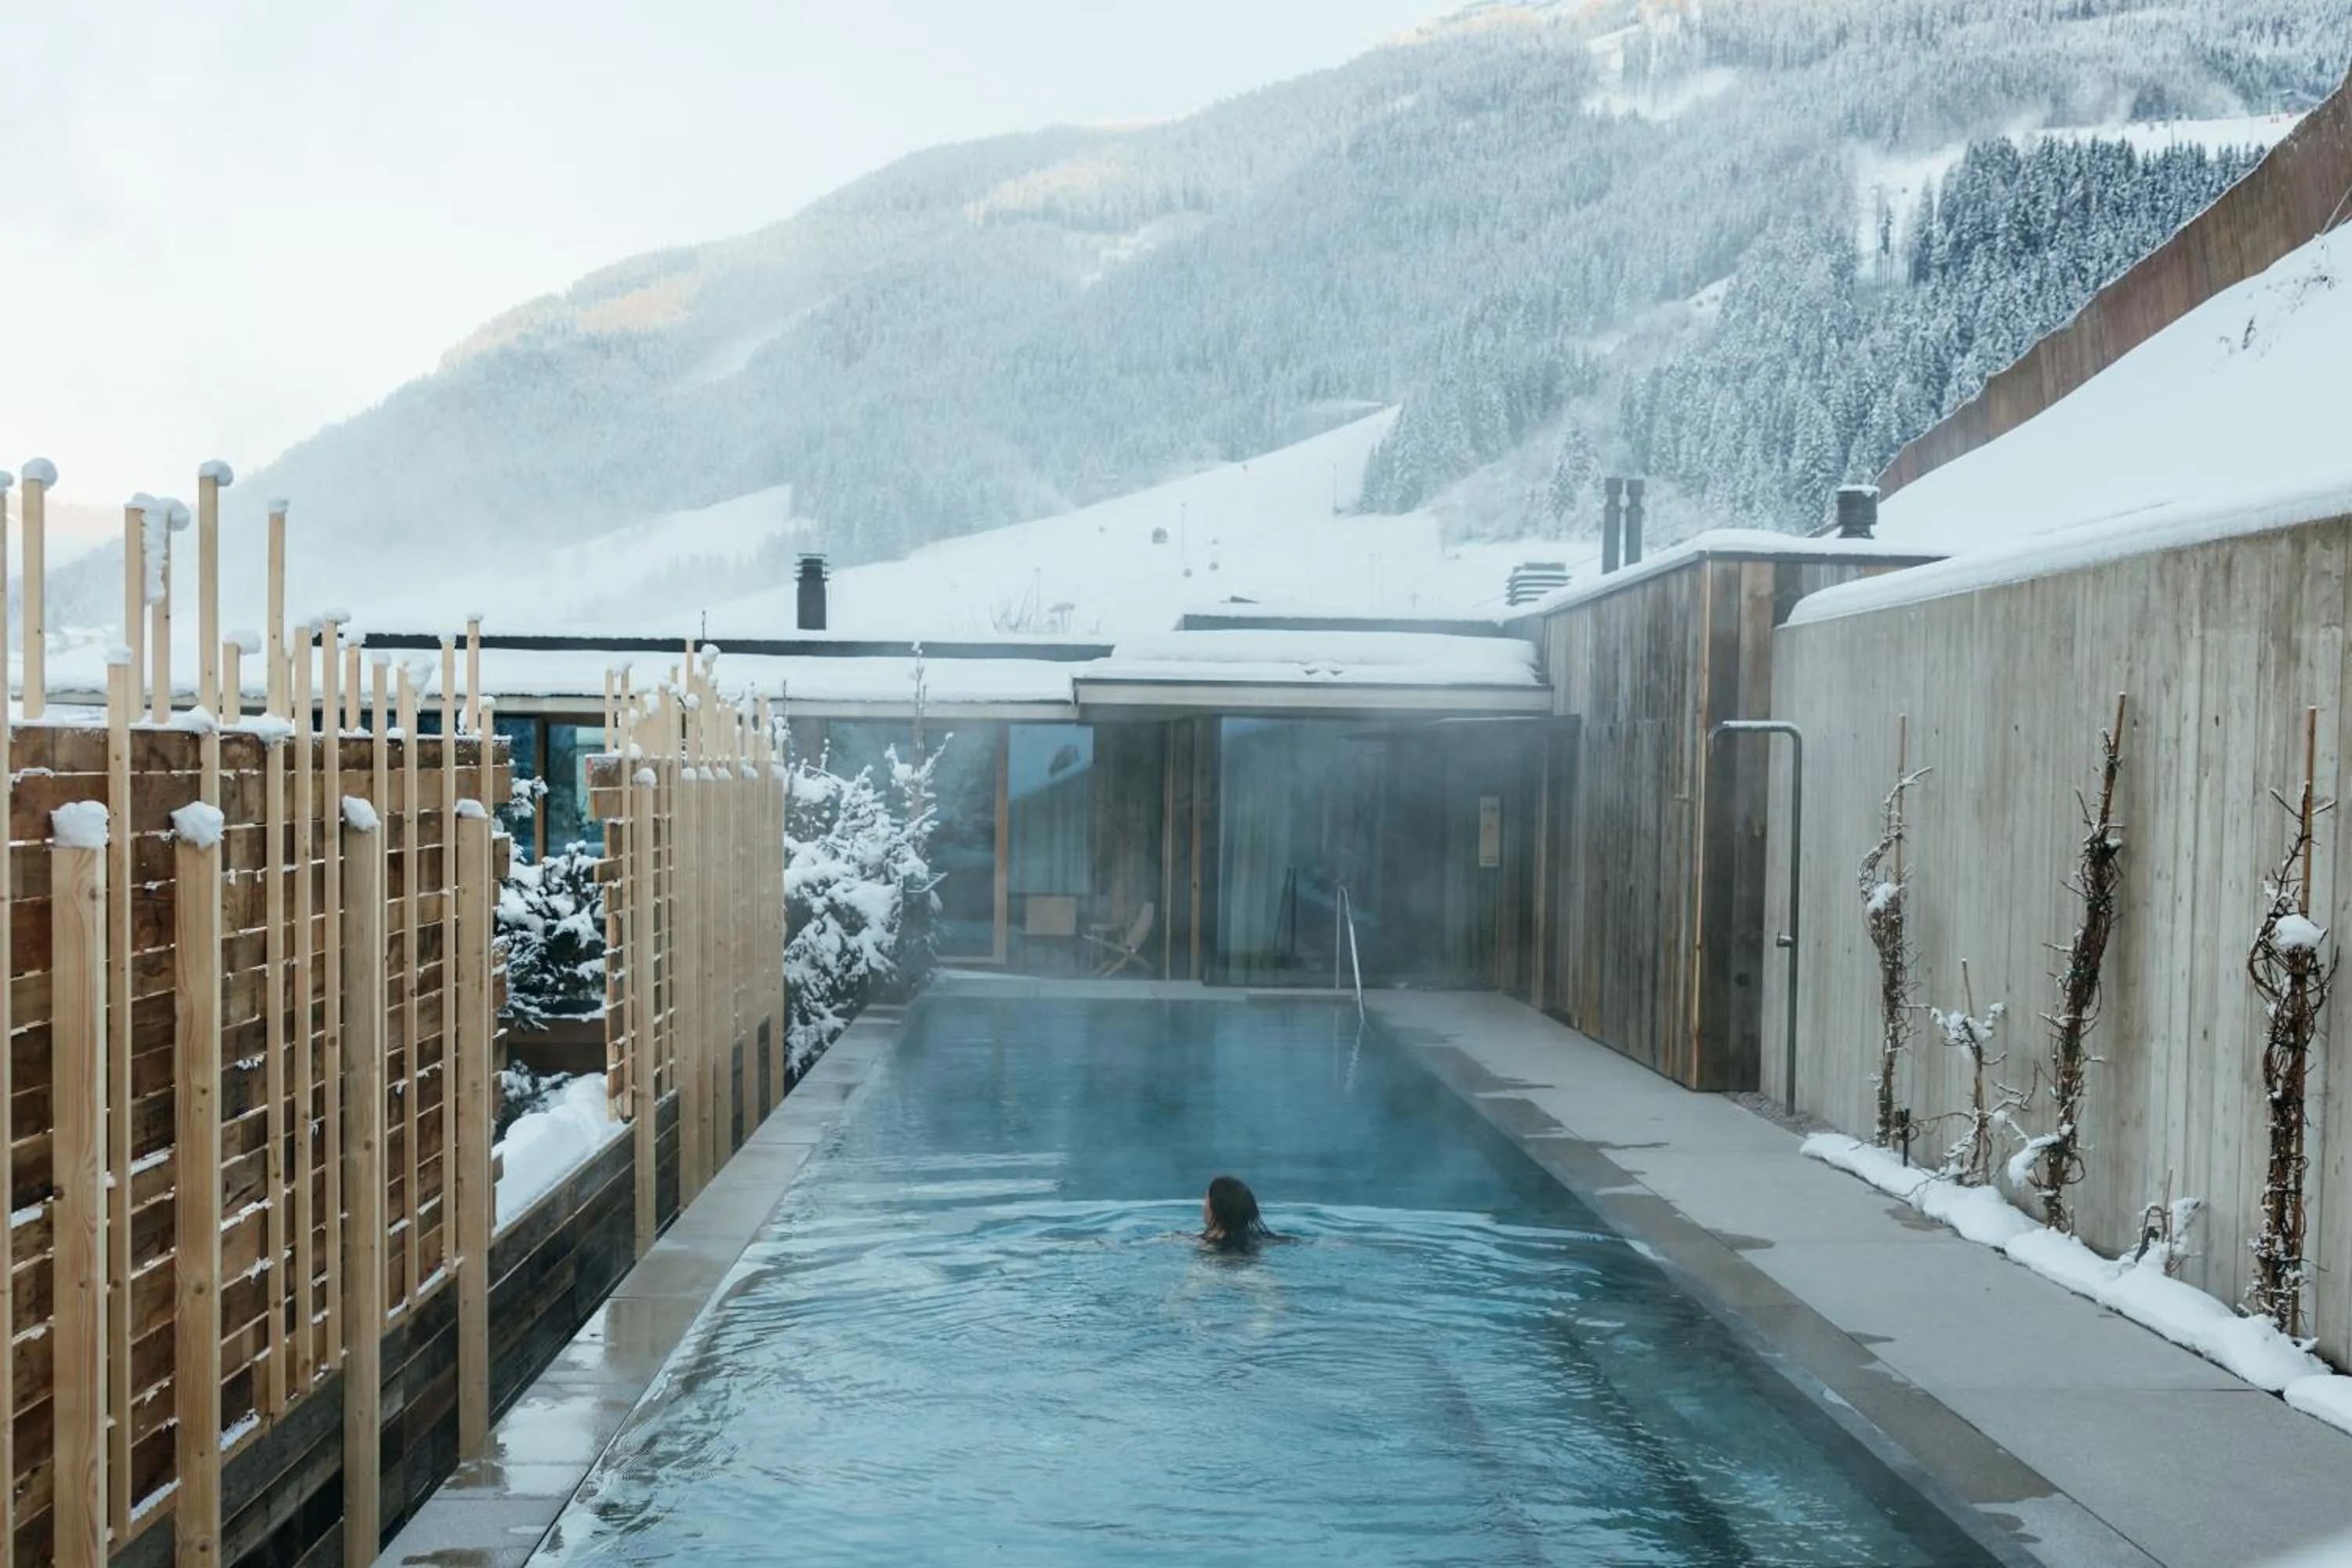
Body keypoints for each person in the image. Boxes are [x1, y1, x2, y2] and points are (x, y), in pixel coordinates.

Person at [1200, 1174, 1278, 1251]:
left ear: (1216, 1208)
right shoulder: (1264, 1239)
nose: (1203, 1206)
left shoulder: (1201, 1244)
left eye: (1206, 1199)